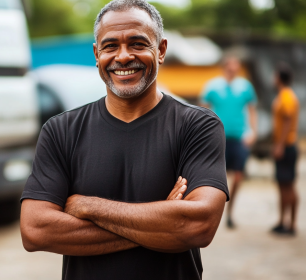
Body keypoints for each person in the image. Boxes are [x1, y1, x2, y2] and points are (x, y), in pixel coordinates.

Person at [20, 0, 228, 279]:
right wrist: (164, 221)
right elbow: (35, 230)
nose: (123, 56)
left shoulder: (197, 125)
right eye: (110, 46)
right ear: (96, 54)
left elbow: (198, 226)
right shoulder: (61, 131)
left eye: (138, 44)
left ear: (161, 50)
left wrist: (87, 206)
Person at [200, 56, 258, 229]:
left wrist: (253, 132)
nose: (234, 69)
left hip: (240, 137)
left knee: (238, 177)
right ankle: (214, 211)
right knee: (218, 177)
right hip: (219, 138)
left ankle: (230, 212)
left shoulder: (245, 87)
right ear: (225, 67)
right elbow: (203, 108)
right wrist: (205, 133)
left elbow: (252, 109)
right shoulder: (213, 86)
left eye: (236, 66)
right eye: (231, 66)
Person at [271, 63, 300, 236]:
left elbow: (288, 120)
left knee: (288, 185)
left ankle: (292, 224)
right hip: (285, 145)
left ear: (279, 78)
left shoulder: (287, 96)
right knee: (283, 185)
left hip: (287, 146)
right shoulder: (284, 95)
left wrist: (280, 145)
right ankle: (283, 221)